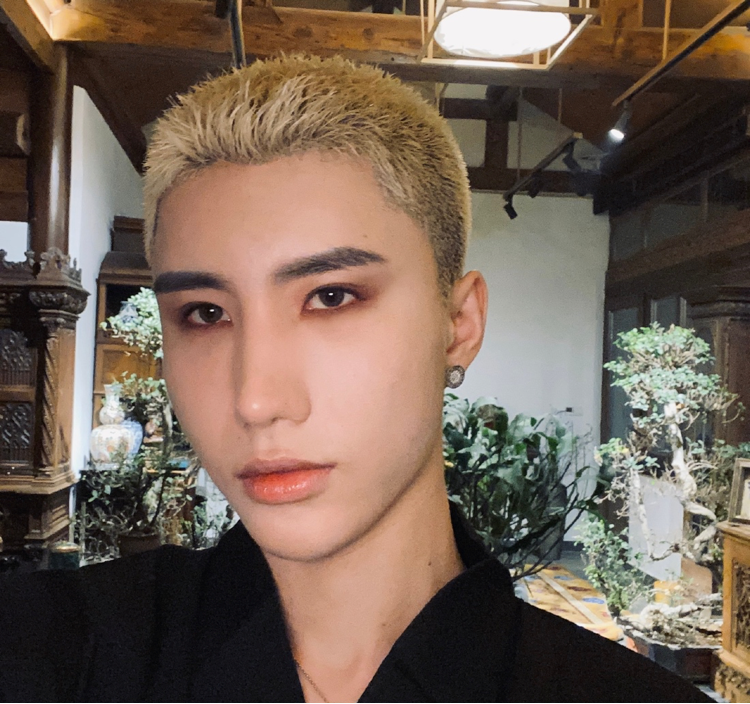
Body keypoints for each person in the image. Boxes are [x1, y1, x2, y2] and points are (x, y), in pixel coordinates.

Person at [0, 54, 711, 703]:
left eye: (331, 296)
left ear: (458, 323)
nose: (256, 400)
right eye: (206, 313)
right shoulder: (53, 646)